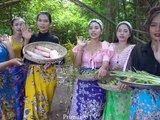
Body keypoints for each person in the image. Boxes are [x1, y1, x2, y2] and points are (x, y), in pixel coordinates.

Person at [69, 19, 114, 120]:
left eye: (96, 28)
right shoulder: (83, 44)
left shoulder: (105, 45)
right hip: (83, 81)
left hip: (98, 81)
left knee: (96, 110)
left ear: (101, 31)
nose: (93, 30)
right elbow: (77, 64)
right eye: (91, 28)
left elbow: (106, 61)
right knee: (82, 109)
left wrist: (103, 67)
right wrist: (80, 48)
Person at [22, 11, 59, 119]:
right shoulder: (31, 36)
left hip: (48, 75)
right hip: (33, 74)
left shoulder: (54, 39)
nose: (42, 23)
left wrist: (51, 61)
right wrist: (26, 39)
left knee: (44, 105)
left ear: (50, 23)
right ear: (37, 22)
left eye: (45, 21)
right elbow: (24, 57)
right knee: (31, 104)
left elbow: (61, 60)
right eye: (40, 20)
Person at [127, 6, 160, 120]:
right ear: (148, 28)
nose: (157, 29)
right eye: (153, 25)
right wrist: (126, 82)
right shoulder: (139, 50)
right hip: (141, 110)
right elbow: (131, 77)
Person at [102, 21, 135, 120]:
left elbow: (134, 67)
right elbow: (105, 61)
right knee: (111, 109)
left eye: (125, 31)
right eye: (119, 30)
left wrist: (123, 71)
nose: (122, 33)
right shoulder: (111, 46)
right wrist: (109, 68)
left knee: (123, 110)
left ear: (129, 34)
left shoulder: (133, 48)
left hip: (125, 83)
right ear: (116, 33)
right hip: (111, 84)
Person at [0, 35, 24, 120]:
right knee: (3, 108)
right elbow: (10, 61)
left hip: (7, 78)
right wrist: (9, 62)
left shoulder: (2, 41)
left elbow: (13, 59)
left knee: (12, 106)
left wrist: (9, 45)